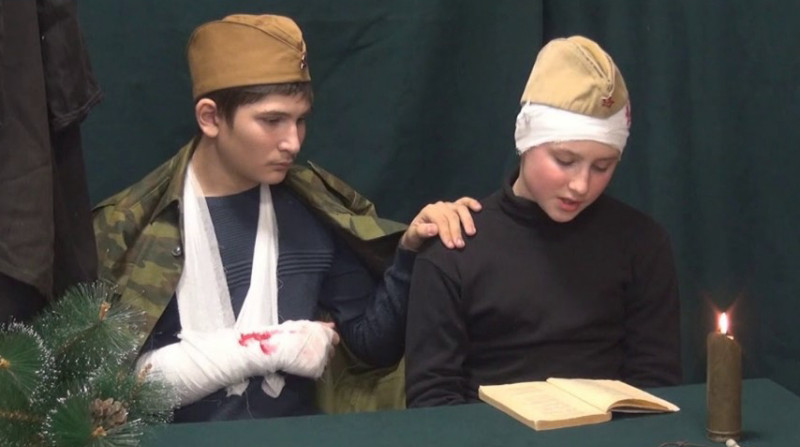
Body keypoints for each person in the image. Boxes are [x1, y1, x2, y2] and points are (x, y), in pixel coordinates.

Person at [92, 13, 479, 422]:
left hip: (295, 446)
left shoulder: (313, 209)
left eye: (300, 120)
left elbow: (371, 348)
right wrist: (272, 346)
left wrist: (410, 252)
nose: (292, 142)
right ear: (210, 117)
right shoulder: (128, 227)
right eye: (272, 120)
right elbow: (101, 391)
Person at [404, 36, 682, 408]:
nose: (581, 185)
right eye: (565, 161)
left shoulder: (641, 243)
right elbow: (432, 399)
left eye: (602, 166)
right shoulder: (455, 246)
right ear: (525, 142)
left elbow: (656, 384)